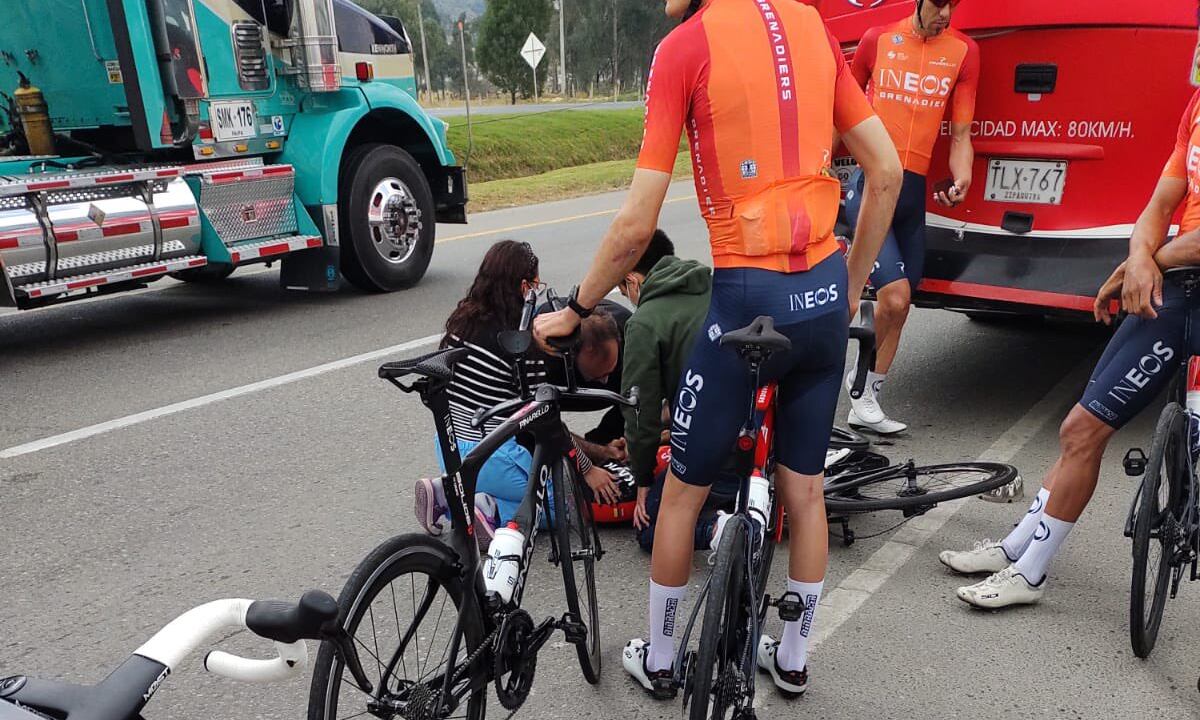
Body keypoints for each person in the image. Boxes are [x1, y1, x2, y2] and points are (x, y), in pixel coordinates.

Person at [535, 0, 901, 700]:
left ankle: (664, 657)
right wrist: (849, 284)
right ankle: (793, 658)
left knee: (682, 495)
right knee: (806, 491)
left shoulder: (685, 45)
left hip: (744, 299)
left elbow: (637, 223)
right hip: (823, 293)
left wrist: (576, 309)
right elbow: (883, 170)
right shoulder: (813, 27)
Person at [941, 85, 1200, 609]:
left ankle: (1029, 572)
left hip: (1182, 278)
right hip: (1176, 281)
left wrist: (1145, 264)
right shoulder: (1196, 105)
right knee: (1080, 427)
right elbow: (1161, 201)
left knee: (1084, 430)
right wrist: (1139, 256)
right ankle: (1020, 550)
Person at [413, 241, 621, 551]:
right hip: (492, 456)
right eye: (536, 284)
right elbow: (543, 421)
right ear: (524, 286)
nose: (538, 290)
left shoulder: (462, 320)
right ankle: (488, 510)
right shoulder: (522, 343)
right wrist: (589, 469)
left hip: (450, 449)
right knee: (564, 503)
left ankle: (445, 492)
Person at [842, 0, 979, 434]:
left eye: (954, 4)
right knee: (894, 296)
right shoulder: (876, 41)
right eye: (940, 3)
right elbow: (838, 109)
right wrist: (818, 166)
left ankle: (866, 394)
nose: (947, 13)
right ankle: (832, 379)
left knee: (902, 307)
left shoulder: (964, 52)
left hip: (913, 193)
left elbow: (960, 134)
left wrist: (963, 176)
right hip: (873, 186)